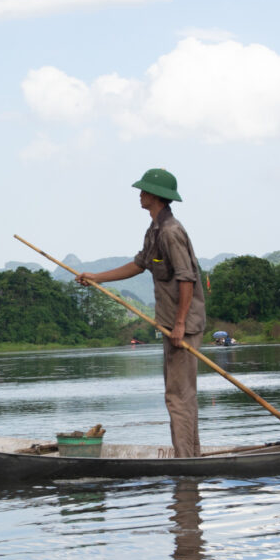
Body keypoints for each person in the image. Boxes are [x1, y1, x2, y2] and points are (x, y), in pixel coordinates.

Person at [76, 168, 206, 457]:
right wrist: (95, 277)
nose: (140, 194)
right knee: (180, 395)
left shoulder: (171, 232)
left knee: (178, 397)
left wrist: (180, 324)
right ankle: (191, 456)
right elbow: (139, 264)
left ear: (156, 196)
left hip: (183, 326)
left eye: (144, 190)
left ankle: (187, 461)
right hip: (172, 324)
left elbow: (187, 278)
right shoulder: (155, 230)